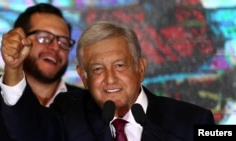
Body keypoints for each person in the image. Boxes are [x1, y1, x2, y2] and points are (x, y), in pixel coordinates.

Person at [51, 20, 216, 141]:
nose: (110, 78)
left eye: (120, 65)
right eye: (97, 69)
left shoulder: (194, 121)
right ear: (84, 77)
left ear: (141, 68)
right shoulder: (69, 114)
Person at [0, 3, 83, 141]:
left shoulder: (86, 106)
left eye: (63, 42)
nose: (55, 47)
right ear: (19, 40)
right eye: (43, 38)